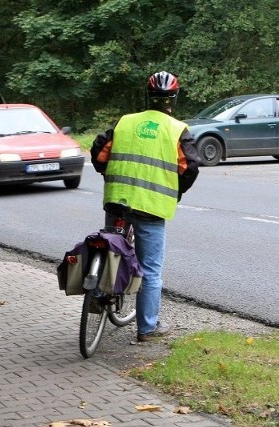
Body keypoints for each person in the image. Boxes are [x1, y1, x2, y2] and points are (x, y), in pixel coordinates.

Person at [91, 71, 200, 342]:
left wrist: (108, 174)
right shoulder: (177, 129)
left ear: (147, 96)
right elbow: (190, 168)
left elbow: (99, 152)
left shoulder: (125, 122)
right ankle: (147, 328)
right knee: (150, 270)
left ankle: (100, 293)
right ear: (174, 97)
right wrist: (175, 192)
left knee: (111, 247)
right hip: (151, 208)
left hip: (117, 200)